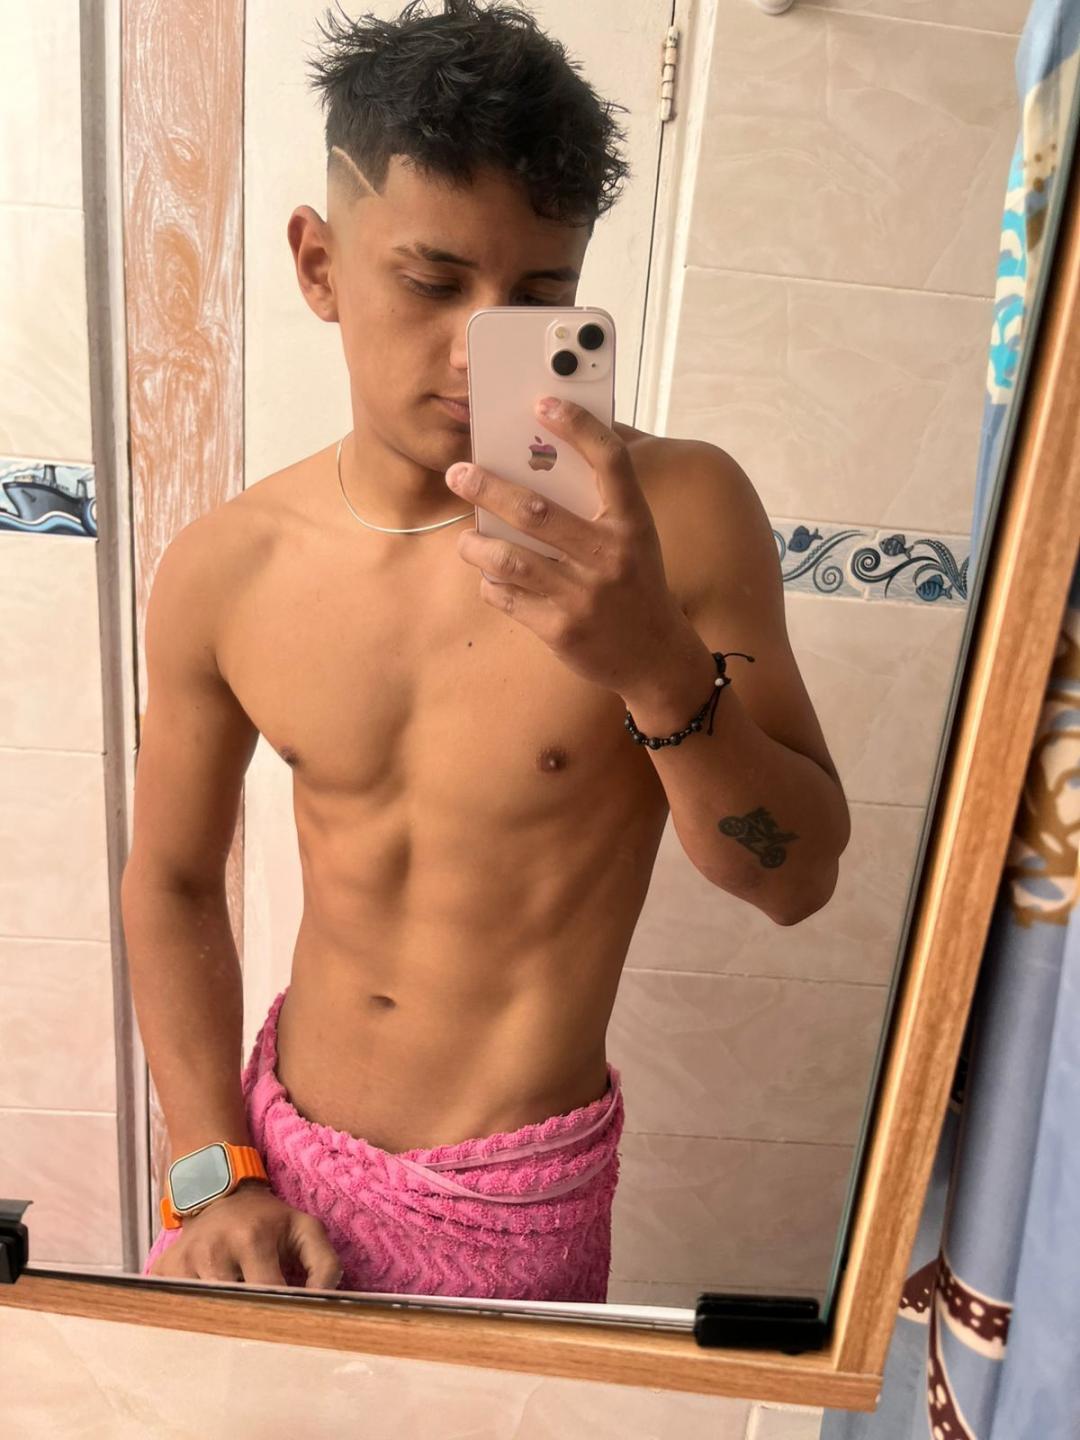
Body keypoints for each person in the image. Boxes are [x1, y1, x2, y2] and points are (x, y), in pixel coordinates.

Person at [122, 0, 849, 1302]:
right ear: (319, 264)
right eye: (433, 281)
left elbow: (794, 881)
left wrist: (656, 668)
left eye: (539, 296)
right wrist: (211, 1174)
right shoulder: (227, 569)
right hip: (270, 1173)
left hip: (515, 1212)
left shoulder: (677, 519)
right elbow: (172, 884)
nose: (478, 348)